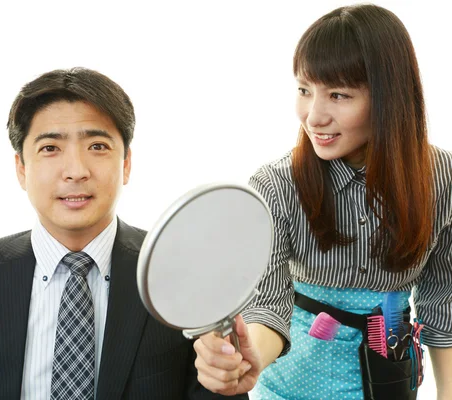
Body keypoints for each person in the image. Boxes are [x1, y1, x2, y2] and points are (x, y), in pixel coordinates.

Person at [0, 67, 249, 400]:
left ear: (126, 163)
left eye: (97, 146)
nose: (75, 170)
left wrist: (228, 371)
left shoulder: (183, 273)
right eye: (50, 148)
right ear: (21, 168)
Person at [193, 4, 452, 399]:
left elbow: (443, 302)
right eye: (304, 90)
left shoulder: (439, 175)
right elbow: (268, 304)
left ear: (388, 98)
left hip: (390, 382)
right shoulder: (276, 185)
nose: (313, 116)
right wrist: (248, 361)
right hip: (292, 385)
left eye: (338, 94)